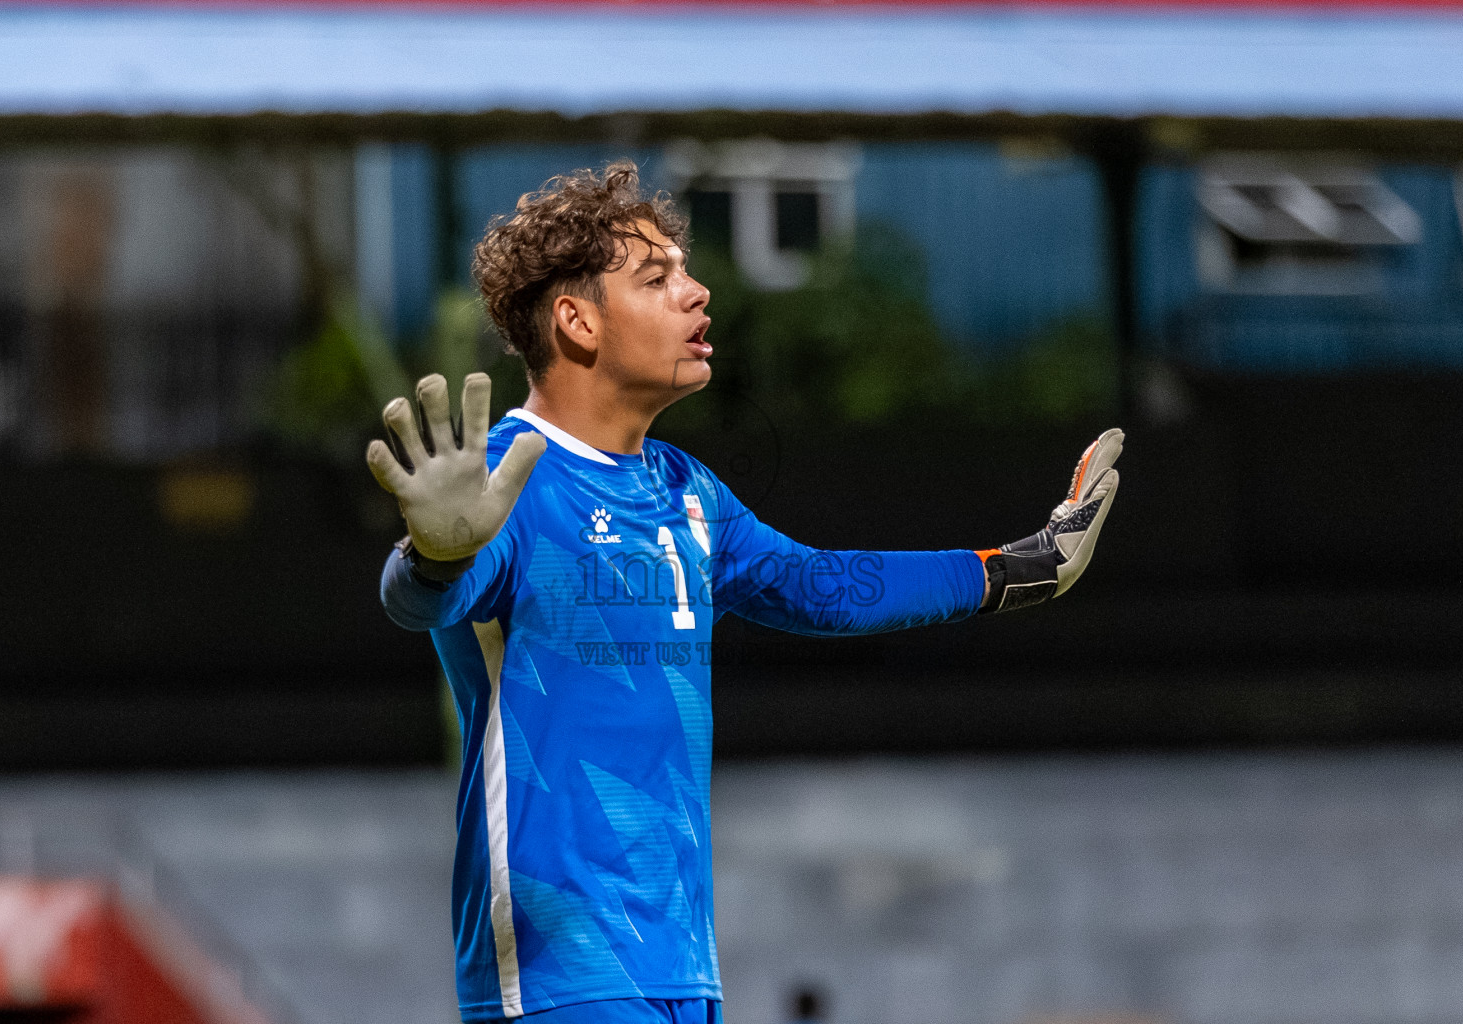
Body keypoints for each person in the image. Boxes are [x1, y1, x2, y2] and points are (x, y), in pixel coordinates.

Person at [367, 161, 1122, 1024]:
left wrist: (1014, 567)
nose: (697, 293)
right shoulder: (506, 479)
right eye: (657, 278)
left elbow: (819, 585)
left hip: (685, 971)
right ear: (578, 321)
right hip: (560, 979)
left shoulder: (686, 489)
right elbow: (417, 602)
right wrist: (432, 555)